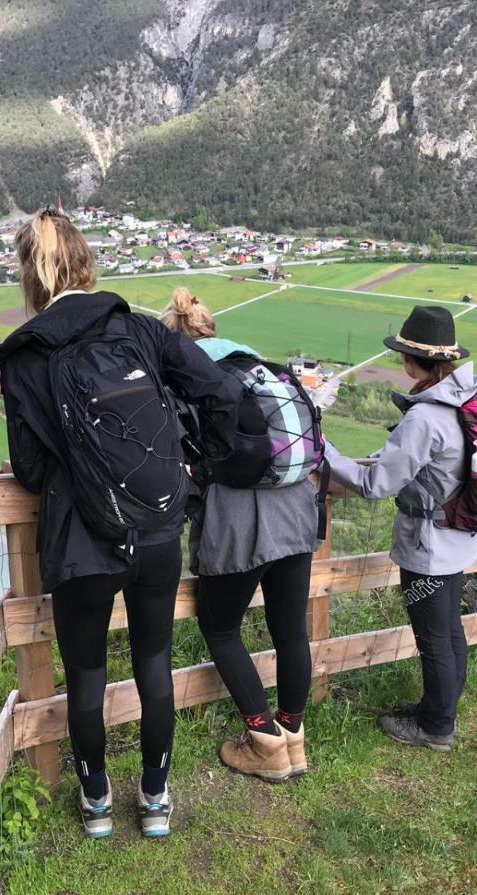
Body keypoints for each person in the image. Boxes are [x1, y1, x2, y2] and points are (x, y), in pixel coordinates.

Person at [0, 212, 240, 839]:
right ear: (85, 262)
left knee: (86, 674)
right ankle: (156, 798)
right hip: (157, 529)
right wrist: (197, 467)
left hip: (80, 540)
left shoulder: (25, 353)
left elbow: (25, 471)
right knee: (153, 663)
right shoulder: (135, 328)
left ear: (33, 274)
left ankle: (97, 801)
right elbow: (220, 392)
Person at [160, 287, 319, 783]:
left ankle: (264, 742)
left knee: (222, 627)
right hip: (296, 510)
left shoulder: (189, 381)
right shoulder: (255, 367)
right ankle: (292, 735)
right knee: (290, 628)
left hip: (240, 520)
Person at [324, 306, 477, 752]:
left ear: (411, 362)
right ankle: (442, 706)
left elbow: (376, 484)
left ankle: (436, 727)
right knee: (449, 629)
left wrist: (327, 453)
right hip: (458, 536)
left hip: (428, 543)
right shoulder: (464, 398)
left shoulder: (425, 418)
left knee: (433, 635)